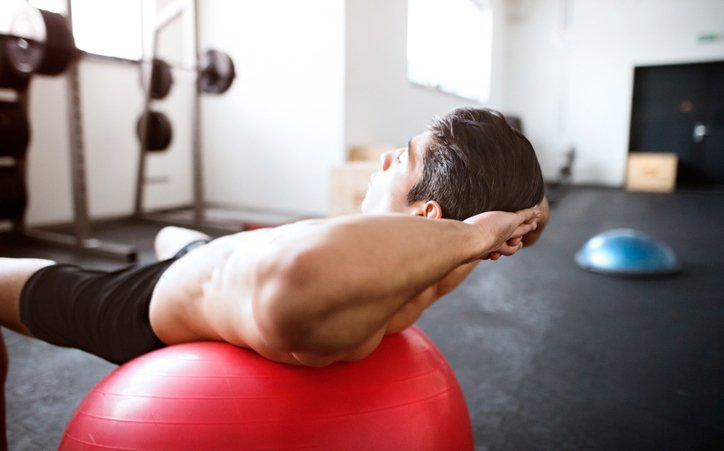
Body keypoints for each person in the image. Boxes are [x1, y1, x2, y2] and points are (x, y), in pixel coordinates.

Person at [0, 107, 548, 444]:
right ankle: (186, 241)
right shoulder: (447, 260)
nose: (383, 158)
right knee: (175, 241)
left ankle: (187, 244)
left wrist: (476, 234)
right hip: (210, 269)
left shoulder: (383, 271)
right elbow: (530, 211)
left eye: (401, 159)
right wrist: (485, 232)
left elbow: (298, 273)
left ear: (428, 219)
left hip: (139, 308)